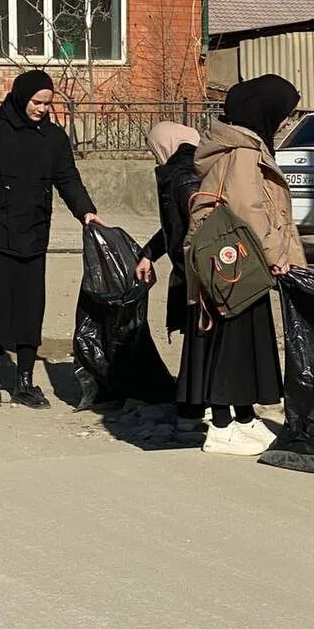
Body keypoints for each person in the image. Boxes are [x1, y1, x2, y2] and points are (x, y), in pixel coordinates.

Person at [0, 70, 102, 410]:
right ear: (22, 98)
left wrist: (87, 212)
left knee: (30, 308)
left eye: (48, 103)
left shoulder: (54, 138)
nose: (43, 109)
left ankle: (24, 381)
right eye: (37, 102)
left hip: (33, 235)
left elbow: (67, 178)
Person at [186, 74, 305, 457]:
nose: (286, 121)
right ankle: (221, 427)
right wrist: (277, 258)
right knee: (233, 343)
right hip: (241, 264)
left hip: (239, 264)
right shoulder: (244, 152)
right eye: (284, 114)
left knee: (242, 340)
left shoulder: (242, 147)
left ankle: (241, 416)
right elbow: (248, 210)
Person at [134, 121, 205, 427]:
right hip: (193, 270)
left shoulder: (183, 177)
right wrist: (149, 253)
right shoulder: (186, 171)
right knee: (198, 340)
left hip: (197, 273)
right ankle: (194, 404)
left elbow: (195, 227)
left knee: (200, 340)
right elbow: (174, 228)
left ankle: (193, 408)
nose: (154, 157)